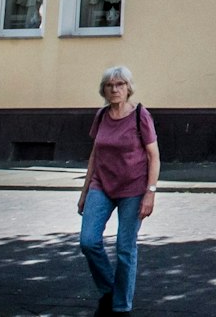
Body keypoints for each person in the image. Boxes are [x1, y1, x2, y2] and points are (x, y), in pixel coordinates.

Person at [80, 66, 159, 315]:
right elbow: (95, 154)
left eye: (120, 84)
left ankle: (121, 307)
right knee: (88, 241)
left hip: (133, 188)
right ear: (103, 90)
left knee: (125, 248)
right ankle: (109, 290)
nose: (114, 89)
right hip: (101, 185)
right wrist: (84, 192)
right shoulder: (102, 115)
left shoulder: (140, 116)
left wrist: (150, 192)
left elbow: (153, 157)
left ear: (128, 88)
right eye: (109, 85)